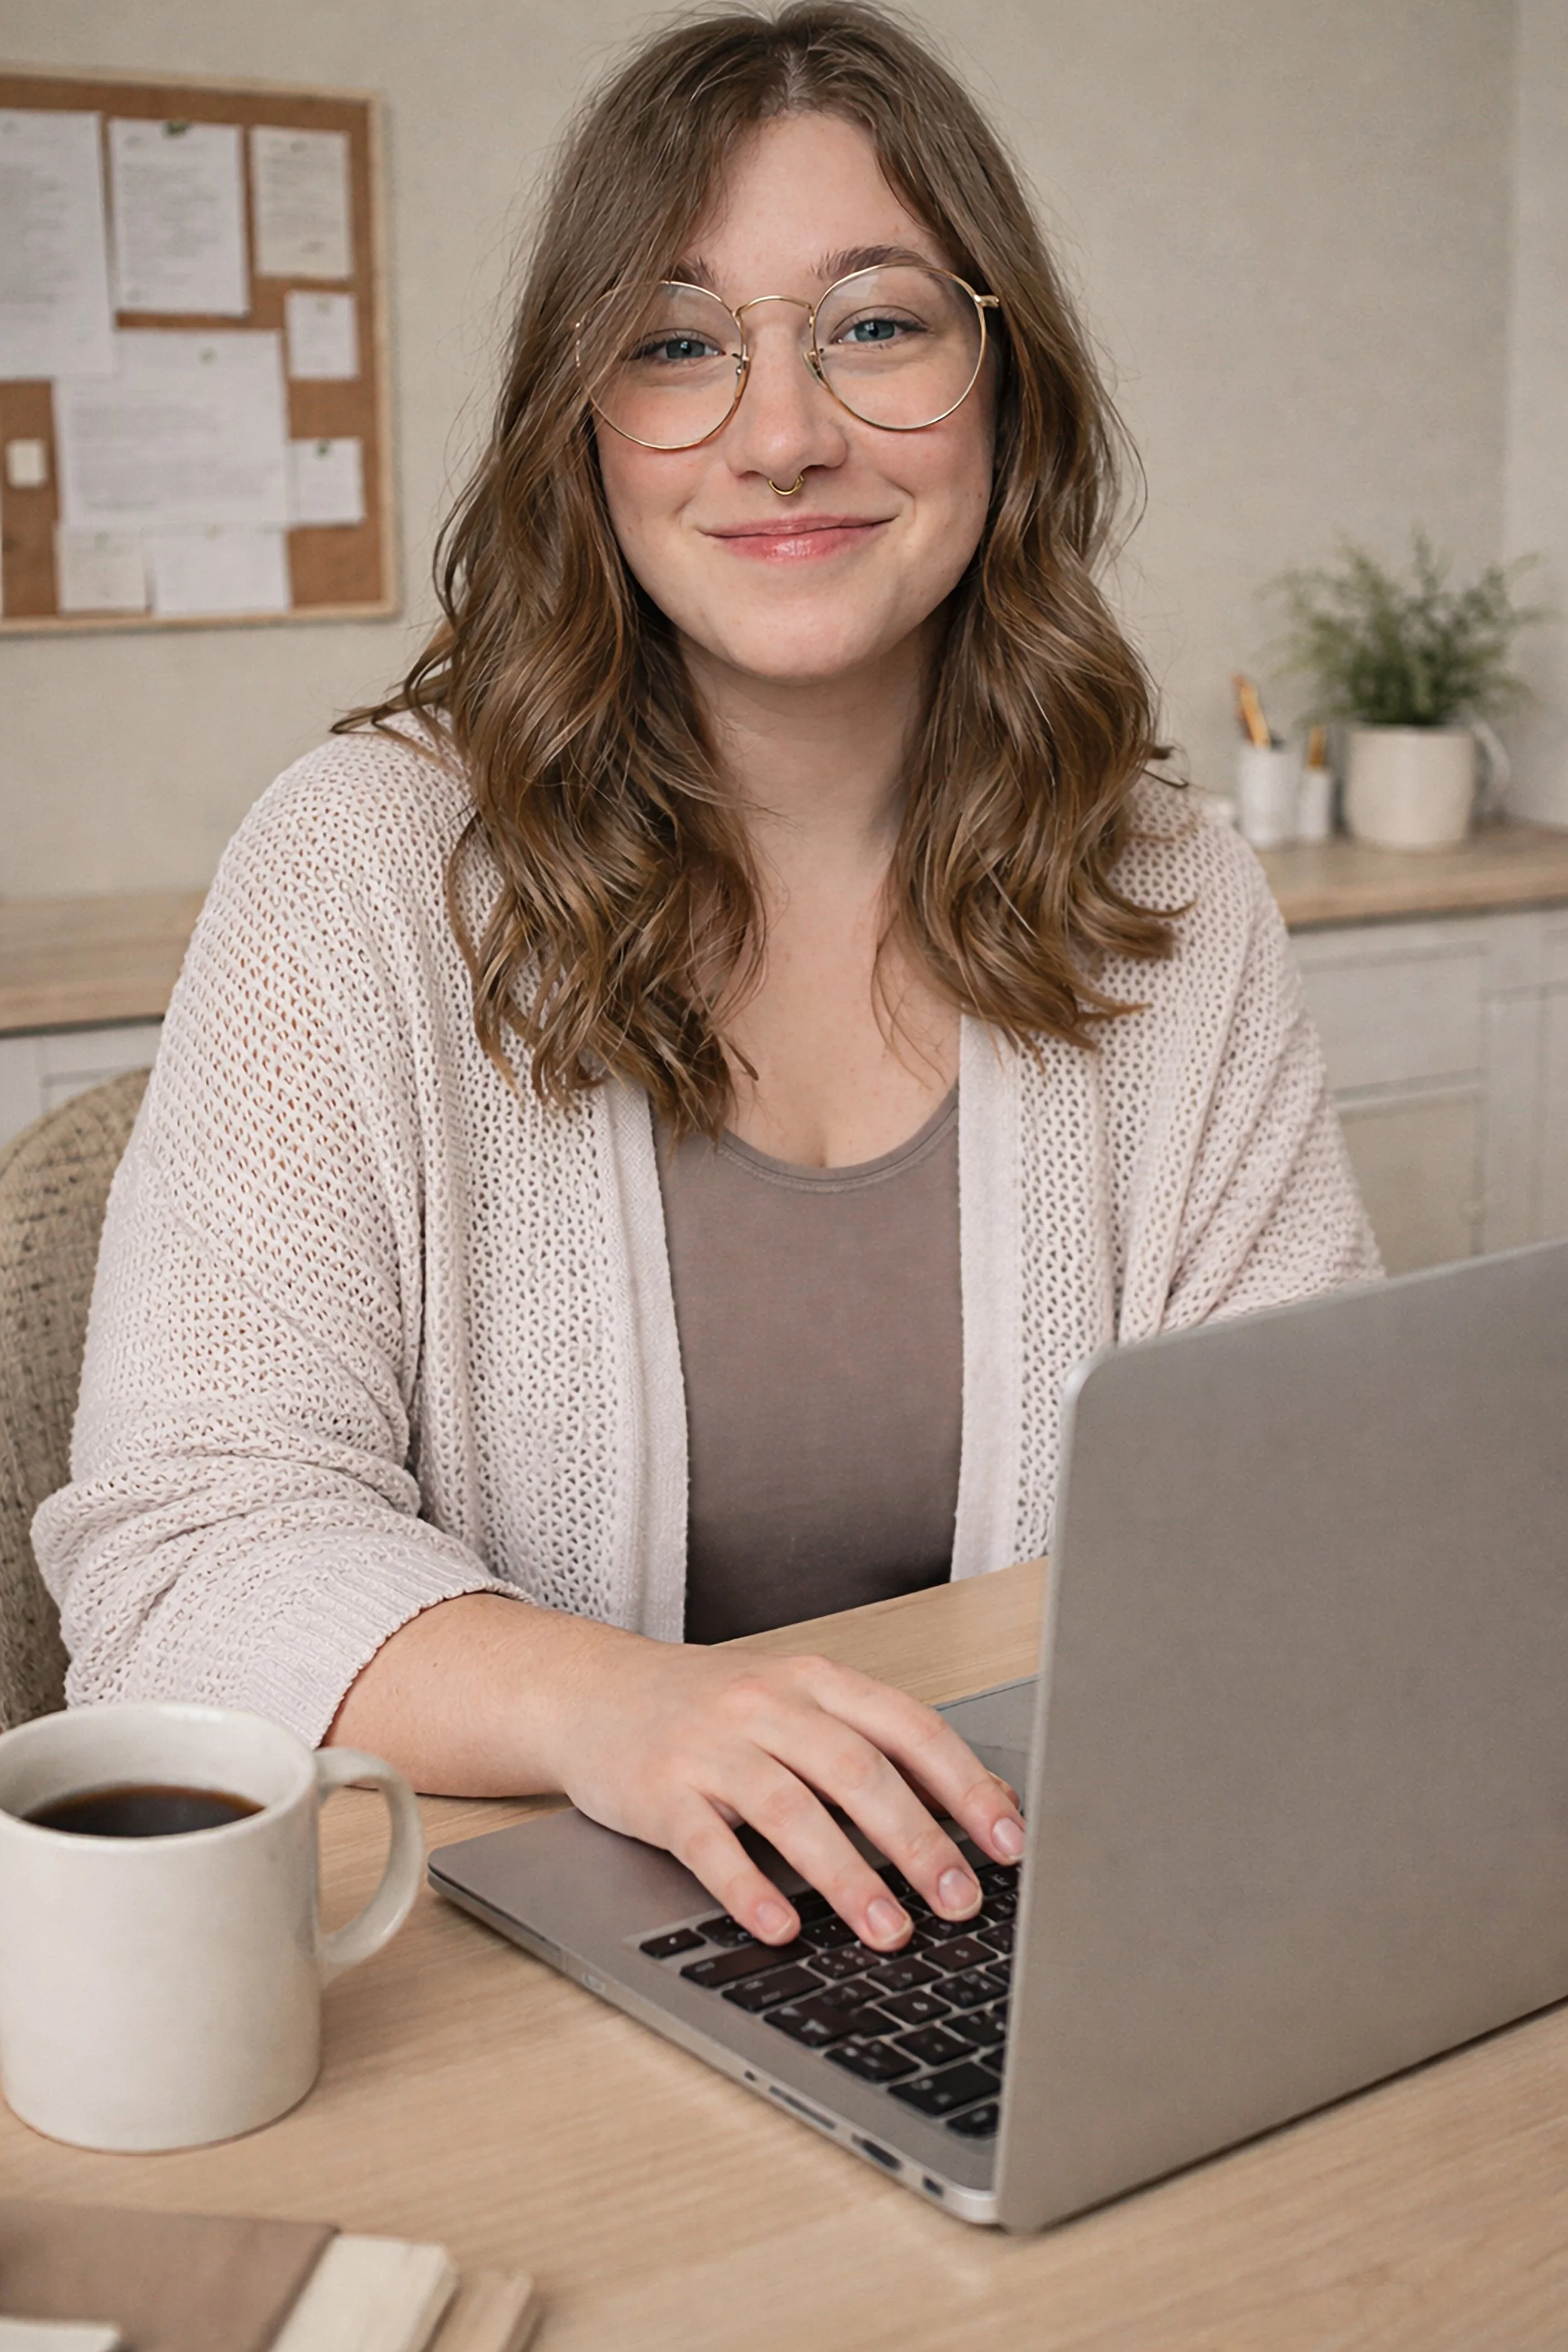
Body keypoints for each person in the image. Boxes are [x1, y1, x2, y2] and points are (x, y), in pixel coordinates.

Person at [35, 3, 1377, 1961]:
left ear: (1007, 387)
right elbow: (179, 1550)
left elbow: (1312, 1500)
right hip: (495, 1959)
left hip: (1044, 1914)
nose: (779, 430)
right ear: (583, 429)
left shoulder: (1168, 889)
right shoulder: (359, 868)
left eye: (876, 322)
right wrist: (617, 1706)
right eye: (675, 343)